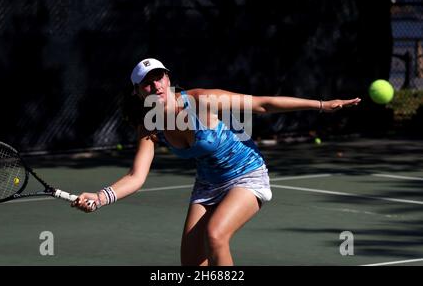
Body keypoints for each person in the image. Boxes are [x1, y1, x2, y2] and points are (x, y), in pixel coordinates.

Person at [72, 58, 361, 266]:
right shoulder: (149, 125)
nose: (156, 85)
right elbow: (136, 177)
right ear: (137, 92)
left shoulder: (203, 101)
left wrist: (322, 106)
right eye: (147, 83)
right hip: (208, 185)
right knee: (191, 264)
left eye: (159, 77)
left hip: (247, 174)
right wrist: (100, 197)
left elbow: (262, 104)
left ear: (168, 79)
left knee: (216, 235)